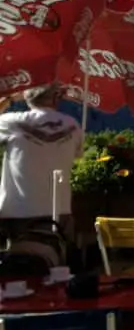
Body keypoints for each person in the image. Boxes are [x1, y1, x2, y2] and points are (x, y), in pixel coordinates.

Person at [0, 84, 83, 244]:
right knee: (56, 262)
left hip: (19, 209)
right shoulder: (73, 125)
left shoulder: (13, 122)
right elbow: (78, 154)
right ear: (55, 98)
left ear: (26, 97)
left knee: (22, 261)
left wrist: (8, 99)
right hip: (59, 209)